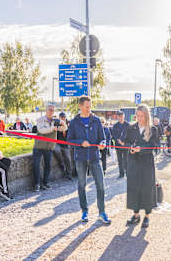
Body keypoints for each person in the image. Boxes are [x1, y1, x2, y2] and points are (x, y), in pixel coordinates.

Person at [67, 96, 111, 224]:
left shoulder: (96, 120)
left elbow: (102, 138)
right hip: (80, 158)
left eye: (90, 106)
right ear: (80, 106)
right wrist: (81, 143)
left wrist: (103, 144)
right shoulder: (74, 122)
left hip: (94, 157)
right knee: (82, 185)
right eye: (87, 107)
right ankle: (84, 211)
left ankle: (102, 212)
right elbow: (69, 141)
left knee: (101, 185)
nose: (89, 109)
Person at [125, 104, 159, 228]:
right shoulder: (131, 128)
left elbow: (154, 146)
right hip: (133, 162)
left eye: (142, 116)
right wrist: (130, 148)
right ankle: (135, 215)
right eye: (137, 116)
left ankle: (147, 216)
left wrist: (141, 149)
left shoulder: (153, 129)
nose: (139, 118)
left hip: (146, 163)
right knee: (134, 188)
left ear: (146, 116)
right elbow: (126, 142)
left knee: (146, 188)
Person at [32, 104, 67, 192]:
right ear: (46, 110)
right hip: (39, 146)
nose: (51, 112)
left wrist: (63, 124)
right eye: (50, 110)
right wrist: (53, 128)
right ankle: (37, 184)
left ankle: (45, 183)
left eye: (53, 110)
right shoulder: (40, 120)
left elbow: (64, 129)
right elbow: (42, 131)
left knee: (48, 166)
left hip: (49, 147)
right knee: (36, 165)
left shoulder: (56, 121)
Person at [52, 112, 72, 180]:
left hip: (66, 144)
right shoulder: (57, 124)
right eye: (61, 117)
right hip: (58, 143)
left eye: (64, 117)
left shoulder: (69, 125)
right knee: (57, 151)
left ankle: (69, 173)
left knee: (68, 158)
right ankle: (62, 165)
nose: (63, 118)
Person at [112, 111, 130, 178]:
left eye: (122, 117)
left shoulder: (128, 125)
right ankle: (121, 174)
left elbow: (130, 135)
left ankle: (128, 174)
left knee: (126, 160)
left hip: (125, 145)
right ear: (118, 117)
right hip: (118, 145)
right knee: (120, 160)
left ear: (124, 116)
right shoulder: (115, 125)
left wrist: (124, 142)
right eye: (119, 117)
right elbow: (113, 135)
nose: (121, 118)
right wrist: (118, 140)